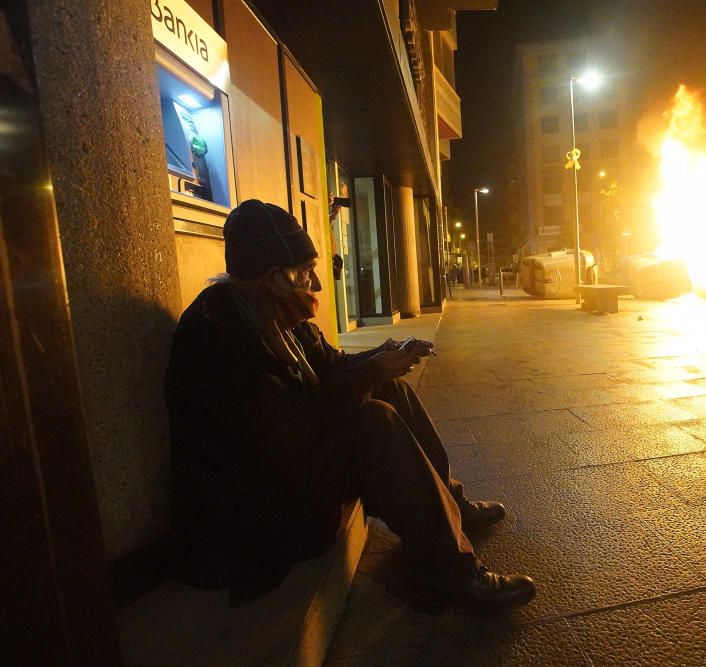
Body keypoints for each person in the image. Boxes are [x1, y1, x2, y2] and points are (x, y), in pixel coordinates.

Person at [165, 200, 535, 613]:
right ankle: (449, 570)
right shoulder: (221, 339)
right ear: (273, 278)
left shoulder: (273, 317)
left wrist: (384, 356)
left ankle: (451, 505)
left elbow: (333, 366)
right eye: (306, 274)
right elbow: (292, 430)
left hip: (290, 473)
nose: (317, 285)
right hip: (258, 516)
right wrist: (370, 371)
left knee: (389, 390)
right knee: (374, 422)